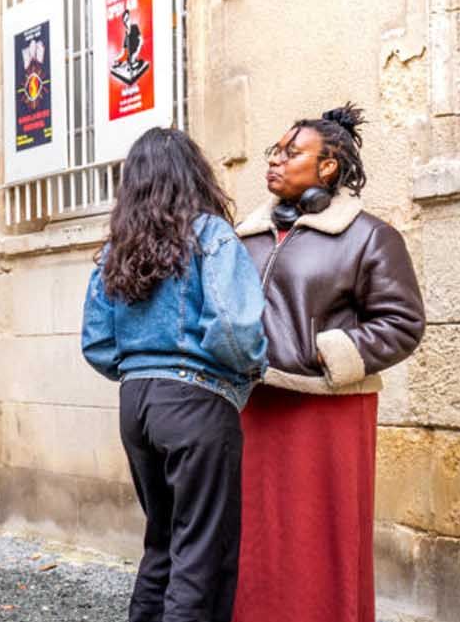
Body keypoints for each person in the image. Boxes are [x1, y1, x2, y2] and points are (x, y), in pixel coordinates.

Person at [232, 105, 424, 622]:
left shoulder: (369, 237)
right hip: (250, 408)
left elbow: (402, 323)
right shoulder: (242, 235)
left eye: (292, 152)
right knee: (254, 542)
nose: (275, 161)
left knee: (318, 541)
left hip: (326, 414)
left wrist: (327, 353)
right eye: (275, 150)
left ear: (329, 167)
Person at [81, 127, 268, 622]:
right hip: (197, 403)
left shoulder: (116, 249)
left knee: (160, 543)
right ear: (195, 175)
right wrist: (252, 372)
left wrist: (143, 368)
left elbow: (97, 344)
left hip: (136, 403)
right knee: (201, 552)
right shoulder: (212, 235)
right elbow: (234, 328)